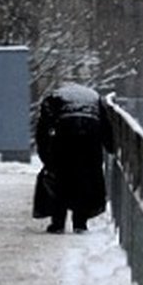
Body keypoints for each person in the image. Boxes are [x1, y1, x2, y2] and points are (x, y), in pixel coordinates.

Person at [34, 83, 113, 234]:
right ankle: (80, 223)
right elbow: (106, 126)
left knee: (60, 181)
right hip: (90, 142)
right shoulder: (95, 98)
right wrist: (110, 146)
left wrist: (46, 157)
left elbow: (43, 128)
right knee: (85, 182)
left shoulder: (55, 97)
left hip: (64, 142)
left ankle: (57, 223)